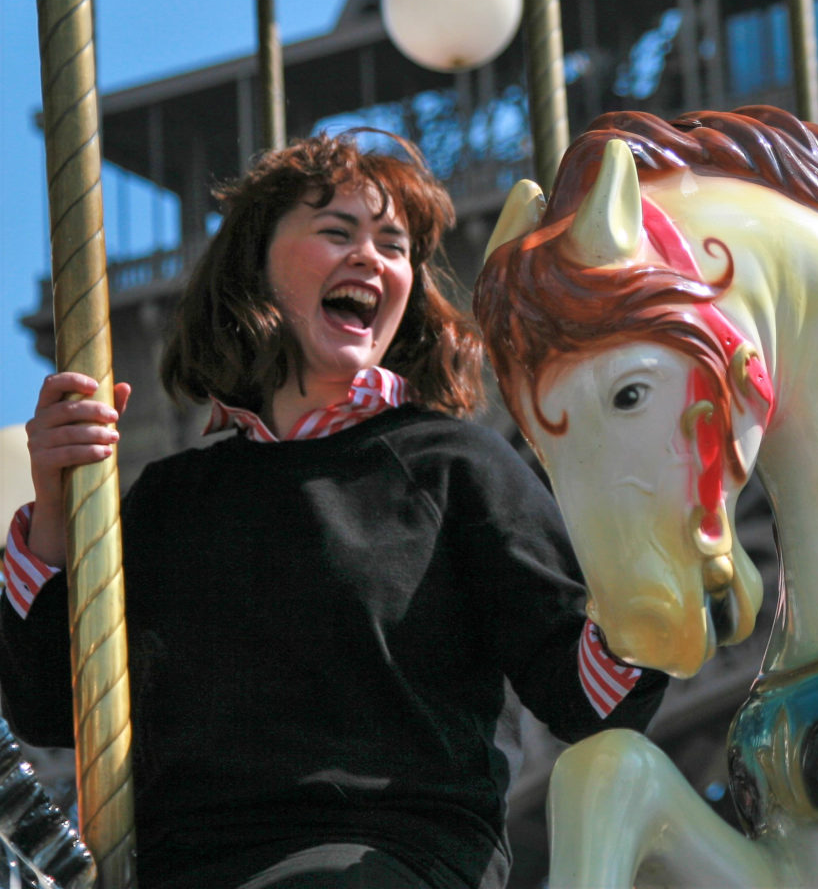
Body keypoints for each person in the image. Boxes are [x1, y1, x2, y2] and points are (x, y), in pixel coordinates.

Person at [2, 132, 666, 889]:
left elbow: (585, 697)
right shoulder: (171, 500)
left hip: (386, 853)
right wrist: (54, 511)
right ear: (256, 265)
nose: (372, 258)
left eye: (395, 245)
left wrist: (646, 577)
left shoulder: (455, 467)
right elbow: (51, 709)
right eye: (337, 232)